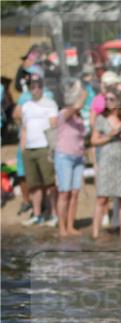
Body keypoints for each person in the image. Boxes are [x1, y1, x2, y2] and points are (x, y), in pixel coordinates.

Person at [90, 89, 121, 239]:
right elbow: (93, 141)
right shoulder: (101, 119)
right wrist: (110, 135)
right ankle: (95, 233)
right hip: (107, 159)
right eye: (106, 99)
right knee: (102, 197)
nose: (108, 102)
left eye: (112, 99)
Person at [20, 73, 58, 226]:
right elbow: (23, 128)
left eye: (37, 86)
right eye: (32, 87)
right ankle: (37, 215)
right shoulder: (26, 106)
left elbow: (53, 126)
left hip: (44, 148)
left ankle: (53, 213)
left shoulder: (50, 104)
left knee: (49, 183)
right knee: (34, 185)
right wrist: (23, 149)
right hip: (29, 149)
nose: (35, 89)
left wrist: (52, 148)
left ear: (42, 88)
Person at [54, 81, 87, 236]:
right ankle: (62, 228)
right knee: (64, 193)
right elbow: (76, 107)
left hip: (78, 158)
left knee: (74, 193)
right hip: (64, 157)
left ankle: (70, 225)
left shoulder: (79, 118)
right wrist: (83, 94)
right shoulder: (64, 114)